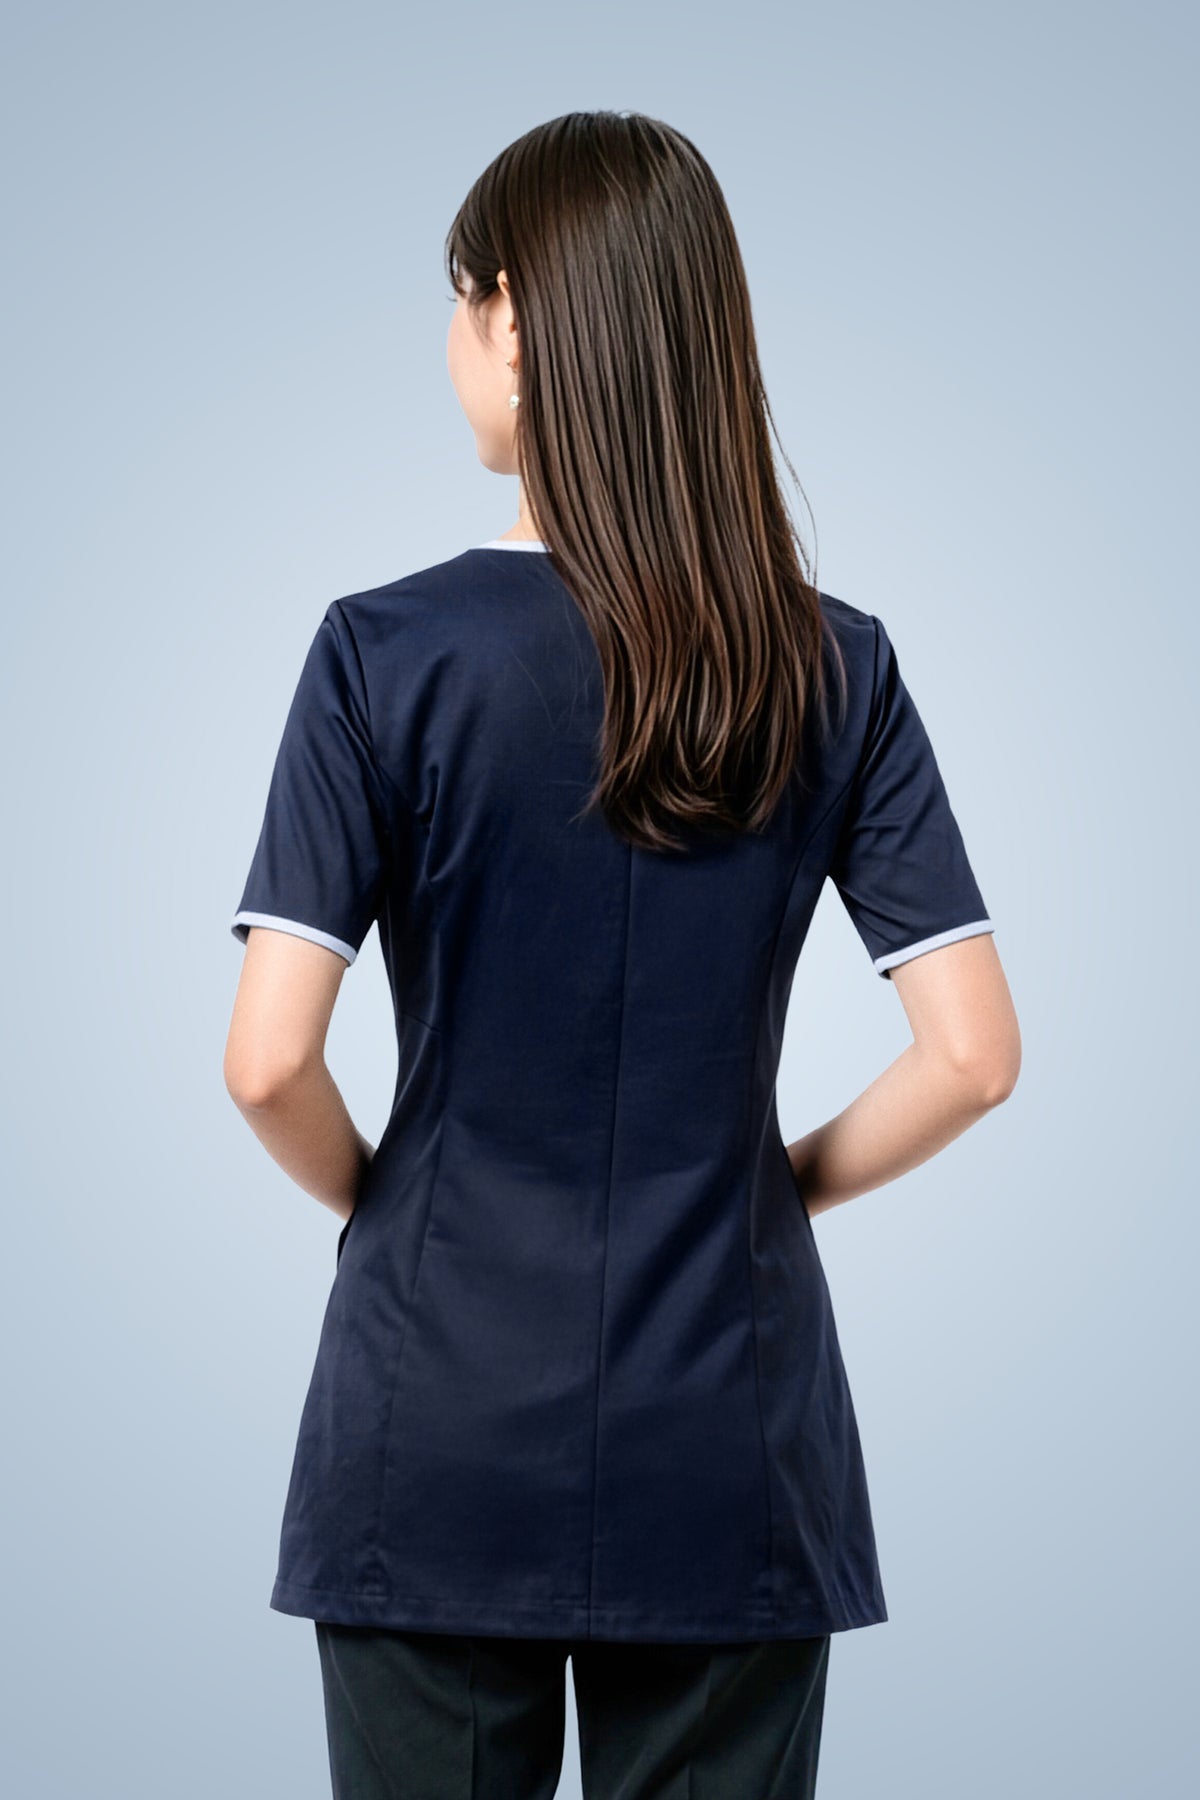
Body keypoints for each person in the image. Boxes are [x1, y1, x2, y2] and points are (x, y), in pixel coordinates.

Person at [224, 109, 1021, 1800]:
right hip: (727, 1435)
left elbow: (269, 1062)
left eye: (456, 303)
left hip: (431, 1428)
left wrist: (395, 1204)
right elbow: (972, 1057)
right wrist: (766, 1189)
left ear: (510, 318)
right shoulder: (836, 668)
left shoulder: (380, 656)